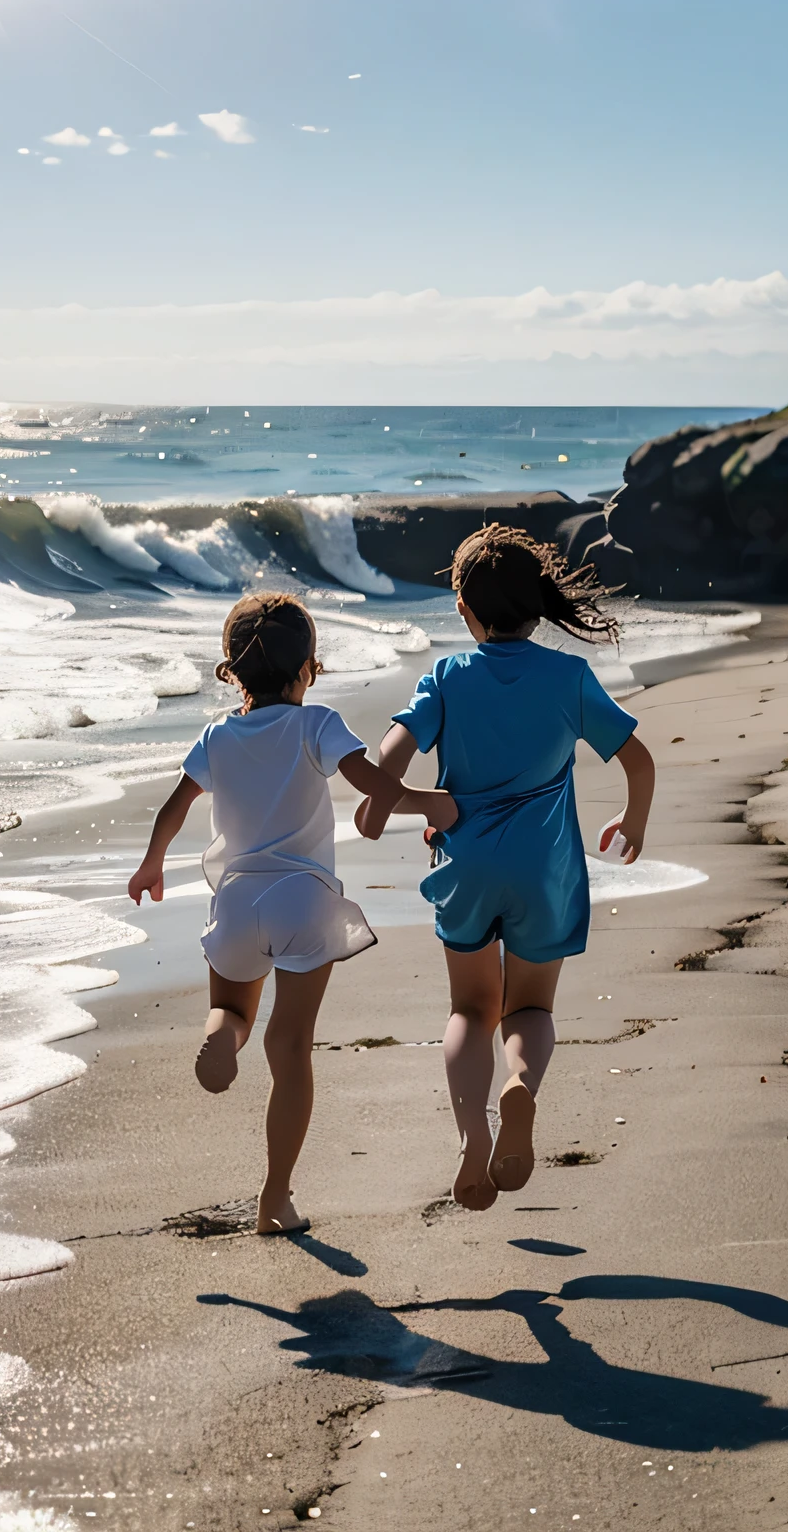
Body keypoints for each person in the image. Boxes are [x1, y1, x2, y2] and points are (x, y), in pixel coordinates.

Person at [128, 591, 457, 1235]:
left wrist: (152, 863)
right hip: (303, 900)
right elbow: (373, 784)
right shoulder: (317, 725)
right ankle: (275, 1199)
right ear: (309, 667)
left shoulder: (217, 735)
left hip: (237, 901)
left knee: (234, 1009)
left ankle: (222, 1038)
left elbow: (175, 807)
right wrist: (429, 804)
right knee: (292, 1046)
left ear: (230, 667)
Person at [356, 526, 655, 1212]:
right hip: (544, 871)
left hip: (466, 867)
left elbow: (391, 748)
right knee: (529, 1007)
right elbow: (638, 759)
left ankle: (471, 1137)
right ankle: (520, 1085)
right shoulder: (569, 678)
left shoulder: (447, 679)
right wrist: (633, 820)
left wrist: (383, 799)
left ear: (463, 608)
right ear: (538, 605)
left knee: (469, 1007)